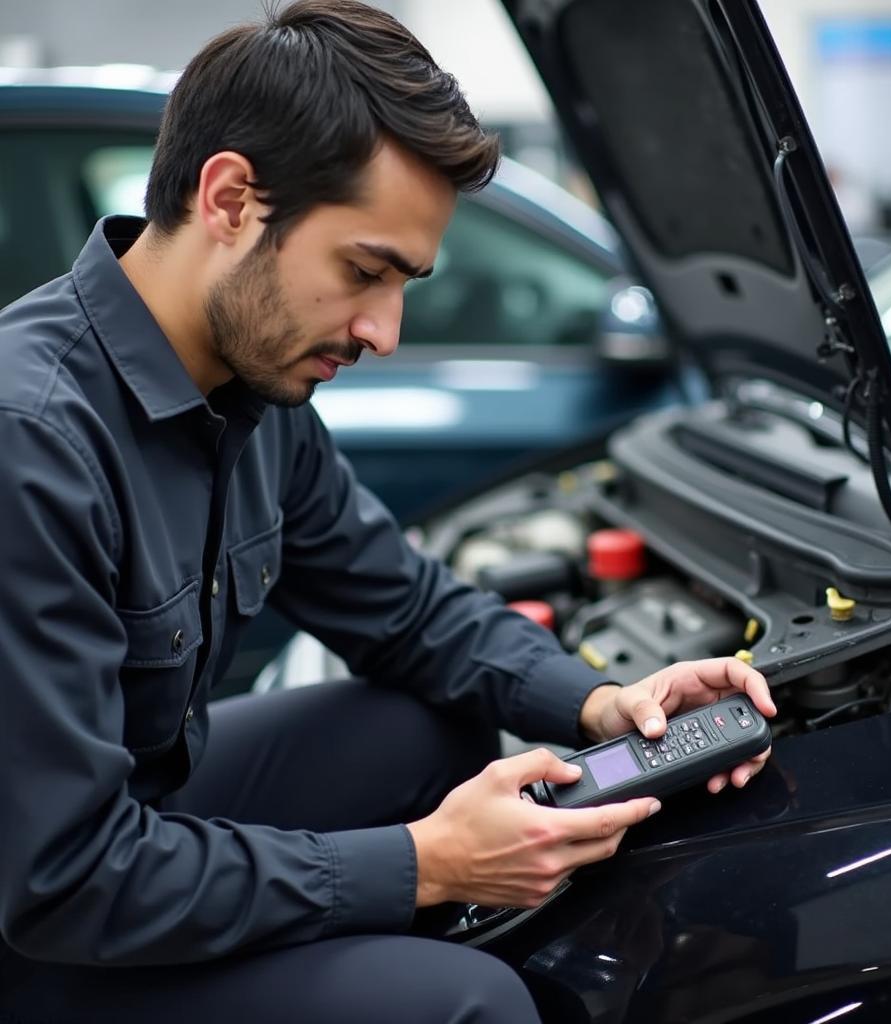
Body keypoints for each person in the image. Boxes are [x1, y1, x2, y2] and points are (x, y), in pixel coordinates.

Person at [0, 2, 775, 1020]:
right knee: (470, 1004)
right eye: (364, 271)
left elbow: (408, 610)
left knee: (428, 725)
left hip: (127, 821)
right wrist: (424, 865)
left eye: (404, 283)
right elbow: (62, 877)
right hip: (43, 919)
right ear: (230, 198)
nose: (383, 330)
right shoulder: (33, 441)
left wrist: (605, 706)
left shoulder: (250, 382)